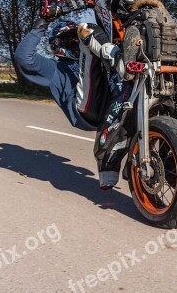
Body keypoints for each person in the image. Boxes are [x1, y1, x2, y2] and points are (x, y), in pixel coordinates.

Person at [14, 14, 141, 190]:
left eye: (75, 39)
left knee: (129, 77)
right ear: (56, 45)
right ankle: (118, 59)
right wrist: (41, 23)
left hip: (108, 107)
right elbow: (23, 57)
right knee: (89, 34)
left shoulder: (92, 58)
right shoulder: (53, 68)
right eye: (68, 40)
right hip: (85, 110)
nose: (73, 43)